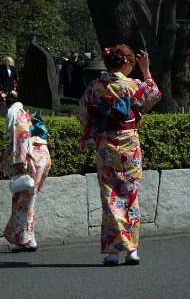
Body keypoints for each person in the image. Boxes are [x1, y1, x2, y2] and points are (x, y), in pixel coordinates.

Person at [75, 44, 162, 266]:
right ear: (128, 62)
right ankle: (132, 250)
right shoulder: (132, 85)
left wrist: (91, 132)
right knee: (130, 194)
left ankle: (113, 252)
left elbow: (82, 113)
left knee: (109, 196)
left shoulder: (95, 86)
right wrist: (146, 71)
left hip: (106, 144)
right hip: (129, 144)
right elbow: (153, 96)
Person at [0, 94, 51, 251]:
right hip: (40, 155)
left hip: (30, 158)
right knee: (28, 199)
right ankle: (28, 238)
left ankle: (24, 240)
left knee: (22, 199)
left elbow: (21, 139)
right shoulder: (22, 112)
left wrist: (20, 164)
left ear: (2, 103)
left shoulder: (14, 114)